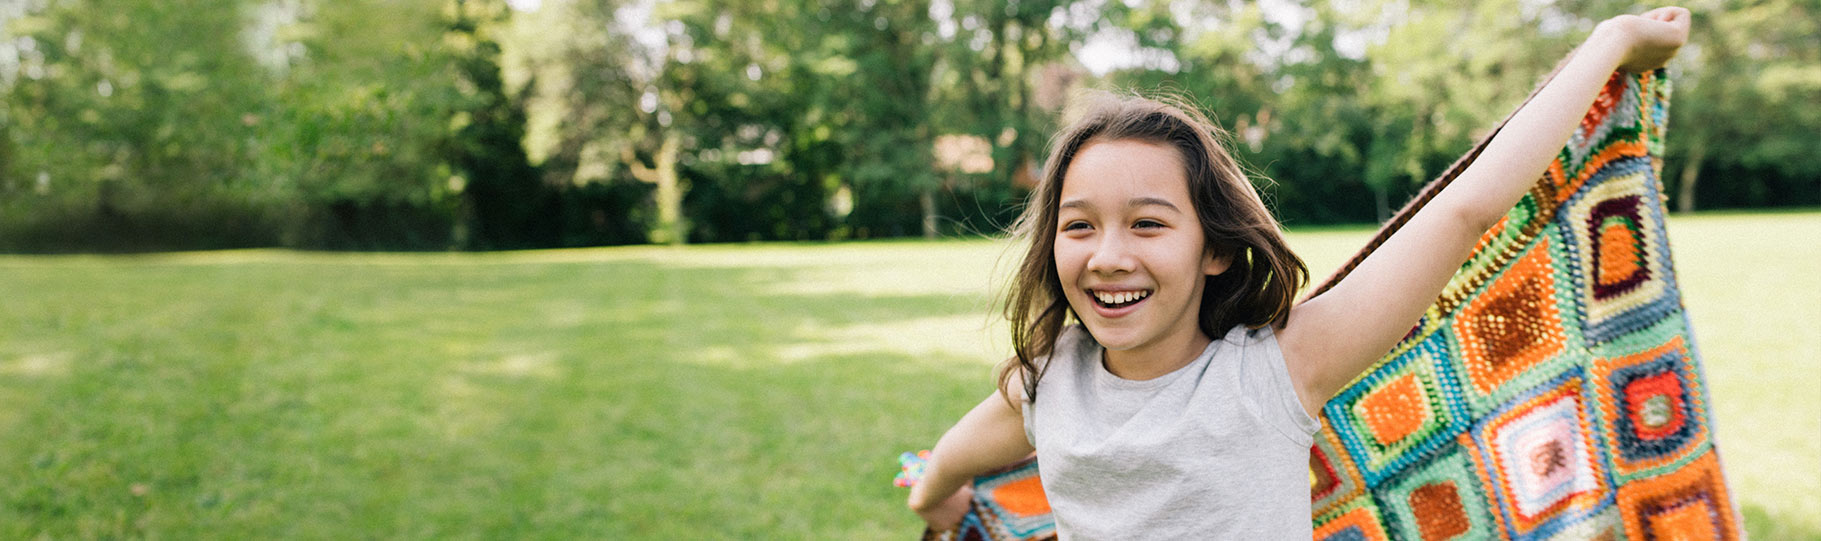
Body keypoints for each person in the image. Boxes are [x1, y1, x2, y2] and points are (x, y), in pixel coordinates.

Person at [907, 7, 1690, 538]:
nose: (1108, 253)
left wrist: (1610, 42)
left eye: (1147, 223)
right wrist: (937, 496)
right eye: (1078, 225)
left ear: (1214, 248)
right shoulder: (1047, 379)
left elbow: (1463, 211)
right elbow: (952, 456)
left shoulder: (1278, 366)